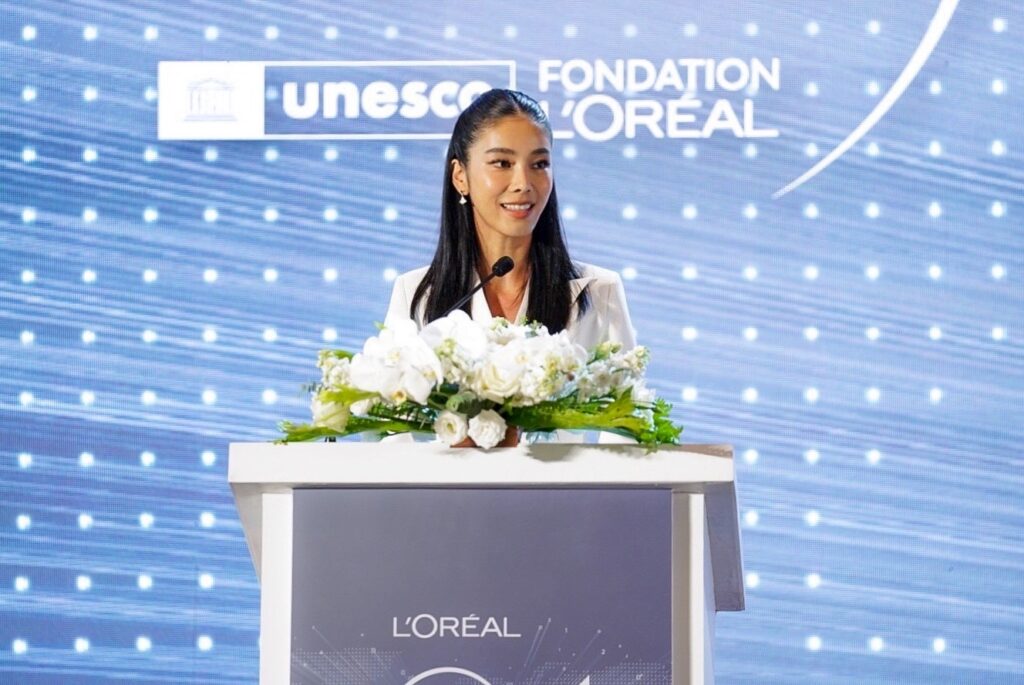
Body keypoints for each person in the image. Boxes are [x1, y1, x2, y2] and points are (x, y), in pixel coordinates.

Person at [383, 88, 636, 444]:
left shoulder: (598, 292)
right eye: (502, 163)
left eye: (539, 164)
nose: (523, 184)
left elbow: (628, 436)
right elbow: (391, 438)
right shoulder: (416, 294)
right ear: (460, 176)